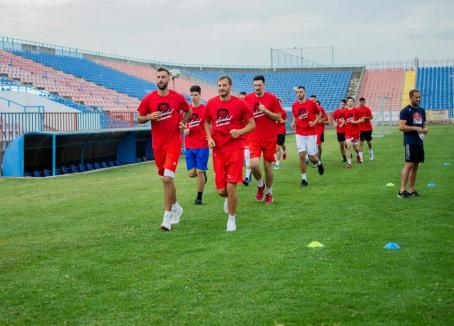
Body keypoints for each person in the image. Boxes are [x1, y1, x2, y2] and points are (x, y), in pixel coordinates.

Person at [137, 67, 192, 231]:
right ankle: (176, 207)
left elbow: (188, 111)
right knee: (165, 181)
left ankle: (166, 217)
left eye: (163, 77)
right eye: (158, 77)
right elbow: (140, 118)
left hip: (173, 145)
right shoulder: (149, 99)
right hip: (157, 146)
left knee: (168, 179)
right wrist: (148, 117)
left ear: (168, 79)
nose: (161, 79)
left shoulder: (177, 97)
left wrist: (183, 122)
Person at [204, 76, 255, 231]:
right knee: (222, 191)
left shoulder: (240, 104)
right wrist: (209, 137)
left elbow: (252, 124)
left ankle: (231, 220)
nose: (221, 88)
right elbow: (206, 122)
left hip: (235, 149)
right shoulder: (211, 103)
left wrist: (239, 131)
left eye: (224, 85)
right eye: (219, 85)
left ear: (230, 86)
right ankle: (228, 199)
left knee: (232, 186)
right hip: (218, 151)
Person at [244, 75, 282, 203]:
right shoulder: (247, 99)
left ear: (264, 85)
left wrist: (265, 110)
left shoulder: (272, 99)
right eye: (255, 85)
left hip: (270, 138)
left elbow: (278, 117)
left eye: (259, 85)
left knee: (267, 166)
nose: (257, 88)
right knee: (253, 165)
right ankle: (261, 185)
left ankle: (269, 193)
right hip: (253, 138)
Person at [291, 86, 324, 186]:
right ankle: (304, 179)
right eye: (297, 92)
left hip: (311, 134)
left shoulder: (311, 103)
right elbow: (295, 115)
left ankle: (319, 163)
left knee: (311, 157)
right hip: (300, 133)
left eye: (301, 92)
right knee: (301, 156)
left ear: (304, 93)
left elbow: (320, 113)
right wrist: (293, 122)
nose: (299, 93)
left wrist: (314, 123)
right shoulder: (294, 105)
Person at [397, 89, 428, 198]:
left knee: (415, 166)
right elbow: (401, 127)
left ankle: (411, 189)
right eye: (416, 97)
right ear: (411, 98)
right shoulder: (405, 110)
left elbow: (423, 125)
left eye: (419, 97)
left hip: (419, 141)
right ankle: (401, 191)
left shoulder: (421, 110)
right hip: (410, 141)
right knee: (409, 164)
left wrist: (425, 129)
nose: (418, 99)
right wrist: (415, 128)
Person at [183, 85, 208, 205]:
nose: (193, 97)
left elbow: (210, 124)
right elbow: (181, 124)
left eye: (196, 95)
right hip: (189, 145)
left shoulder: (205, 109)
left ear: (200, 95)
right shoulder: (186, 110)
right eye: (191, 95)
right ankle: (203, 175)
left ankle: (199, 198)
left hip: (202, 144)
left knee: (199, 172)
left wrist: (210, 137)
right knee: (191, 174)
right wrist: (184, 129)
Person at [343, 96, 363, 168]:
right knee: (348, 146)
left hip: (355, 132)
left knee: (356, 148)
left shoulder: (357, 110)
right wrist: (342, 123)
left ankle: (358, 154)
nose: (350, 102)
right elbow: (344, 120)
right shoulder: (344, 111)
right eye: (349, 101)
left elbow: (362, 119)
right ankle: (349, 163)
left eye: (351, 101)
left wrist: (355, 121)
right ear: (347, 102)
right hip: (347, 132)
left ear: (353, 102)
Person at [239, 91, 252, 185]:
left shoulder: (249, 112)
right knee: (241, 161)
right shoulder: (235, 111)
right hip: (238, 140)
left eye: (243, 98)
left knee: (247, 159)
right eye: (240, 98)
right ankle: (249, 172)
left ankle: (247, 177)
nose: (242, 100)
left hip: (248, 139)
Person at [274, 103, 288, 169]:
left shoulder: (283, 111)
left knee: (278, 147)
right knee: (280, 146)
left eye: (279, 103)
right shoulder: (272, 111)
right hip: (273, 132)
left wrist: (283, 121)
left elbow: (286, 120)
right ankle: (284, 152)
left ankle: (277, 163)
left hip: (281, 131)